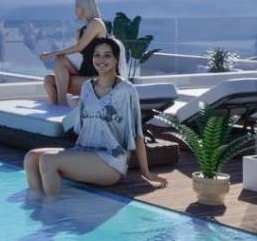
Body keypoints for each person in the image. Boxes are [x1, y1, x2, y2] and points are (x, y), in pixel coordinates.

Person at [25, 37, 164, 197]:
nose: (101, 59)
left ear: (116, 59)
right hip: (85, 150)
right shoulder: (87, 87)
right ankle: (37, 203)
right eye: (97, 55)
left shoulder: (126, 90)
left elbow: (137, 134)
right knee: (31, 158)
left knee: (48, 160)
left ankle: (52, 208)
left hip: (110, 160)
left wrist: (146, 172)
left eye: (107, 55)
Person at [41, 0, 118, 105]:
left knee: (59, 61)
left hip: (98, 75)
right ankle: (58, 108)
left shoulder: (96, 23)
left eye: (77, 6)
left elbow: (79, 47)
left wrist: (51, 54)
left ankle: (62, 104)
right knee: (49, 79)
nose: (75, 9)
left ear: (85, 7)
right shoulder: (80, 31)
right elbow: (79, 52)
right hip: (84, 73)